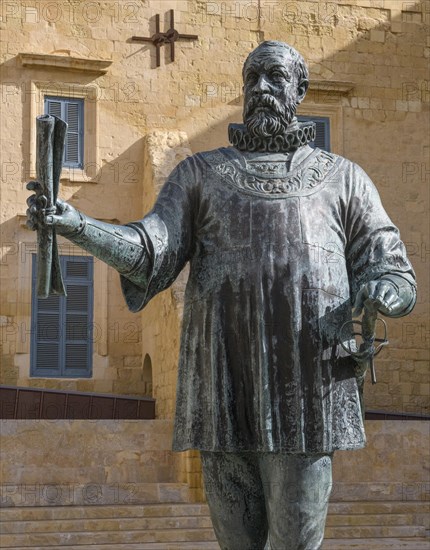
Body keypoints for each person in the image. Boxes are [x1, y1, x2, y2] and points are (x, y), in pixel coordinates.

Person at [27, 41, 416, 549]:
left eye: (274, 77)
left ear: (300, 89)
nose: (260, 88)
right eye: (252, 77)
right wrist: (76, 224)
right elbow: (150, 250)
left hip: (307, 382)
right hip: (221, 383)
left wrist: (381, 293)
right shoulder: (199, 175)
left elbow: (393, 268)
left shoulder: (345, 180)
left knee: (296, 542)